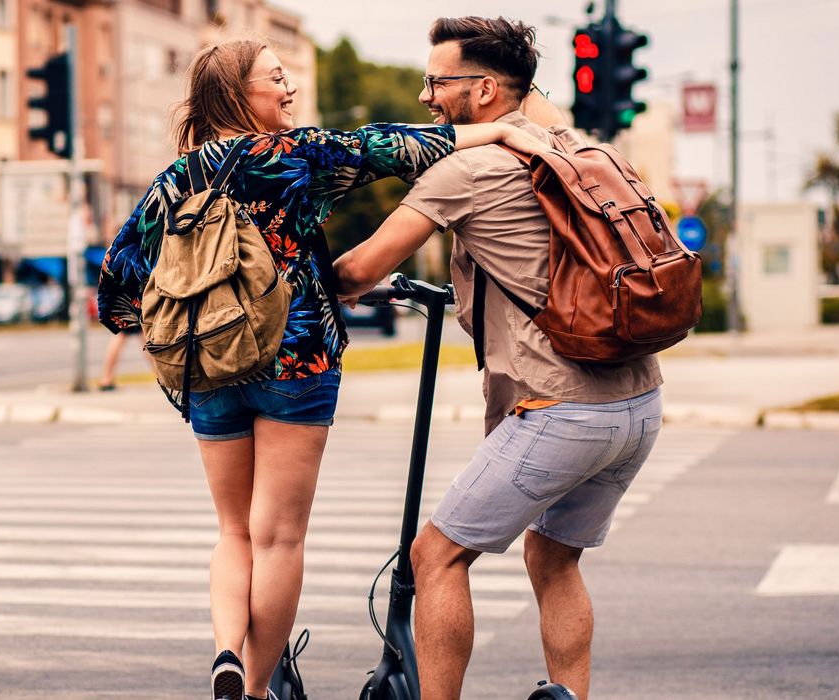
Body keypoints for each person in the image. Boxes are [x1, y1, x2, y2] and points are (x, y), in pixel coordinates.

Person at [96, 39, 550, 700]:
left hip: (207, 376)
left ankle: (225, 653)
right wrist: (503, 129)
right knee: (277, 539)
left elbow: (116, 288)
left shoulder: (177, 179)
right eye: (275, 79)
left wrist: (184, 322)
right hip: (295, 359)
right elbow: (391, 145)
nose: (289, 89)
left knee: (232, 533)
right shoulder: (296, 156)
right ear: (238, 95)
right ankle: (254, 690)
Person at [333, 17, 665, 700]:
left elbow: (357, 272)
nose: (426, 97)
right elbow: (535, 101)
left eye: (437, 82)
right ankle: (571, 695)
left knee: (436, 558)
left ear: (483, 91)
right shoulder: (576, 147)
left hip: (562, 410)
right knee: (551, 555)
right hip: (636, 404)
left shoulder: (468, 168)